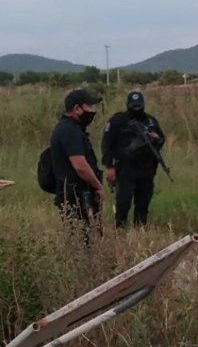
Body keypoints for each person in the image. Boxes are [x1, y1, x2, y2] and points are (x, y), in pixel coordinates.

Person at [101, 90, 166, 229]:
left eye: (139, 106)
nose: (137, 109)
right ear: (128, 105)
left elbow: (161, 140)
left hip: (146, 168)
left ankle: (140, 230)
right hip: (125, 168)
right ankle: (120, 229)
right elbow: (106, 144)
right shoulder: (118, 121)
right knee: (123, 202)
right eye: (133, 106)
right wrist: (109, 166)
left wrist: (155, 138)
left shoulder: (150, 121)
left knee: (143, 202)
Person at [49, 89, 105, 241]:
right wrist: (98, 186)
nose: (93, 111)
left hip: (78, 194)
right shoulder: (69, 130)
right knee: (82, 239)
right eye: (90, 106)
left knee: (86, 237)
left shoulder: (70, 128)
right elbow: (80, 166)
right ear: (77, 109)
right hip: (75, 195)